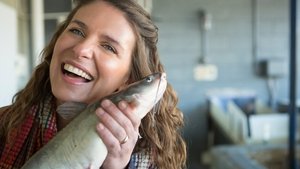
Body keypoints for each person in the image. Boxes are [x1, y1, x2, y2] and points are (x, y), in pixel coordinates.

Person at [0, 0, 187, 168]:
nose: (81, 49)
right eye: (77, 31)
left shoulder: (152, 161)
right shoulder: (4, 124)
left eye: (108, 46)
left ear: (128, 80)